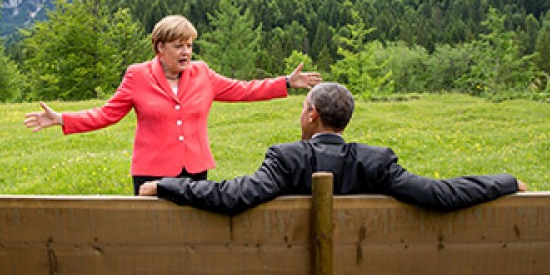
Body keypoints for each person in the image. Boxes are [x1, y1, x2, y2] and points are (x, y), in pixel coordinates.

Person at [24, 14, 322, 195]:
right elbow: (106, 114)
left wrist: (284, 82)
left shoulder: (203, 73)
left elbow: (243, 89)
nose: (186, 52)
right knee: (152, 237)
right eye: (179, 45)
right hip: (151, 171)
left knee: (192, 235)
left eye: (189, 45)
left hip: (194, 170)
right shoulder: (137, 76)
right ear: (160, 47)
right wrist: (63, 118)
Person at [138, 82, 527, 212]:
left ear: (311, 115)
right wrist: (505, 181)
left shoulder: (285, 159)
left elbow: (232, 197)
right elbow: (441, 194)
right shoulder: (377, 162)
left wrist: (167, 185)